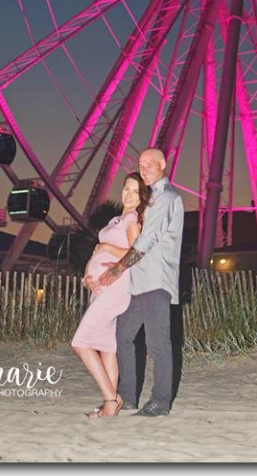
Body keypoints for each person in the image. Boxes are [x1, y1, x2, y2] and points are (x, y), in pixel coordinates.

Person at [87, 147, 183, 416]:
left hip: (156, 281)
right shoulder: (152, 200)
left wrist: (117, 269)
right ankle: (128, 397)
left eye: (150, 164)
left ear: (163, 164)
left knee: (158, 343)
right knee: (123, 336)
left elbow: (146, 240)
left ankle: (160, 402)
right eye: (141, 165)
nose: (144, 169)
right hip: (139, 284)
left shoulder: (166, 197)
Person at [68, 174, 148, 418]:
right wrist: (86, 276)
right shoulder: (117, 219)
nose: (129, 195)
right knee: (107, 347)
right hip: (100, 287)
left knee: (80, 342)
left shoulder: (133, 219)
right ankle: (110, 405)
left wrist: (106, 248)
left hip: (116, 287)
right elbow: (96, 251)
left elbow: (137, 252)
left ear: (142, 197)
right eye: (126, 189)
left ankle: (111, 399)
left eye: (135, 192)